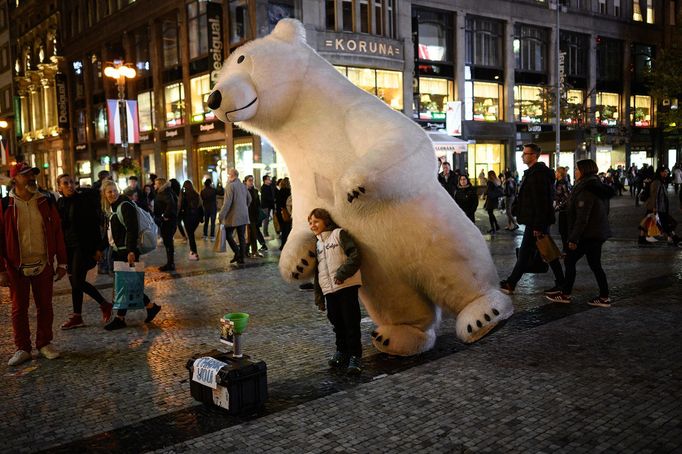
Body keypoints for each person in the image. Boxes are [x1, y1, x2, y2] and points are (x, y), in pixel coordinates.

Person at [0, 162, 67, 366]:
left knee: (45, 306)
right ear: (15, 179)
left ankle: (44, 343)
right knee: (19, 309)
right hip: (15, 267)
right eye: (26, 175)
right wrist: (1, 270)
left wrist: (62, 262)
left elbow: (57, 232)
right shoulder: (5, 205)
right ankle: (23, 348)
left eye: (32, 174)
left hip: (43, 263)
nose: (31, 178)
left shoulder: (45, 201)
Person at [546, 159, 615, 307]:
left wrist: (573, 238)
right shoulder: (597, 186)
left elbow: (582, 217)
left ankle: (565, 294)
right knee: (595, 264)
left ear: (583, 171)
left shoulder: (587, 189)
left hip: (588, 234)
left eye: (577, 169)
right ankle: (604, 297)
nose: (575, 172)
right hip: (597, 232)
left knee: (570, 260)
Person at [500, 143, 565, 295]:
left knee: (541, 252)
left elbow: (541, 202)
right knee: (538, 252)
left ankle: (511, 283)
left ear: (534, 156)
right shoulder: (533, 173)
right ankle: (512, 282)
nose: (523, 156)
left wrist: (538, 225)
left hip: (536, 222)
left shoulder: (538, 174)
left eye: (525, 154)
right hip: (534, 221)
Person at [101, 181, 161, 330]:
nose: (113, 194)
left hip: (126, 251)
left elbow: (132, 229)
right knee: (129, 284)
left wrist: (131, 251)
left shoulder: (124, 205)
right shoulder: (112, 207)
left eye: (114, 190)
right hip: (119, 250)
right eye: (109, 192)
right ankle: (150, 307)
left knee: (127, 284)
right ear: (104, 194)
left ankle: (121, 318)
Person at [309, 208, 363, 375]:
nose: (313, 225)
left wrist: (342, 273)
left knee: (351, 322)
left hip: (346, 286)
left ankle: (355, 356)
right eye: (310, 223)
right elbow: (318, 271)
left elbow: (355, 255)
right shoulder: (317, 243)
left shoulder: (339, 234)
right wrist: (319, 296)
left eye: (316, 221)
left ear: (326, 221)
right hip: (329, 290)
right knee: (337, 323)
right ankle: (342, 352)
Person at [56, 174, 112, 329]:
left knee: (77, 282)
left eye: (72, 182)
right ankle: (77, 316)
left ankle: (104, 304)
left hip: (83, 247)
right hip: (69, 248)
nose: (69, 186)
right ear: (59, 187)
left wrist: (98, 248)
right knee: (75, 283)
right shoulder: (60, 203)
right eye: (65, 183)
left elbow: (93, 226)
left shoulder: (82, 201)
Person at [639, 166, 680, 246]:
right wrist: (655, 208)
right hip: (657, 207)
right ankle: (673, 238)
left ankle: (641, 238)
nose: (666, 173)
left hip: (658, 207)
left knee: (647, 221)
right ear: (660, 172)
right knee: (665, 222)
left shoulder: (660, 181)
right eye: (665, 171)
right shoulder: (657, 182)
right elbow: (654, 196)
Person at [218, 168, 251, 264]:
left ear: (232, 176)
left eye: (228, 175)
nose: (228, 177)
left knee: (228, 234)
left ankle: (237, 253)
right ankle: (242, 258)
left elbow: (227, 203)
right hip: (243, 215)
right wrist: (244, 207)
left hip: (233, 217)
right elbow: (250, 199)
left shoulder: (230, 186)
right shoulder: (243, 186)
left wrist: (221, 215)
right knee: (241, 236)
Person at [153, 177, 178, 271]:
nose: (154, 185)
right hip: (170, 220)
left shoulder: (164, 192)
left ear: (160, 184)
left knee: (168, 242)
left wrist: (164, 216)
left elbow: (171, 204)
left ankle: (170, 264)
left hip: (167, 222)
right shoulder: (167, 191)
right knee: (168, 242)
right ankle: (170, 263)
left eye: (156, 184)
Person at [179, 180, 203, 261]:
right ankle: (193, 252)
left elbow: (180, 206)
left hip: (187, 217)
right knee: (191, 234)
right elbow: (200, 206)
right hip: (196, 218)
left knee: (190, 235)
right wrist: (201, 217)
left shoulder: (184, 195)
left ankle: (194, 253)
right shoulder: (196, 194)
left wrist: (179, 216)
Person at [244, 175, 267, 257]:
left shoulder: (255, 191)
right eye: (249, 180)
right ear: (245, 181)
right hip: (246, 215)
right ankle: (247, 251)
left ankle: (253, 251)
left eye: (252, 180)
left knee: (253, 233)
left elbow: (258, 204)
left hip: (254, 215)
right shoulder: (243, 191)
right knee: (248, 234)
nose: (251, 182)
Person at [554, 166, 572, 252]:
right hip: (563, 210)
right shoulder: (561, 182)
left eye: (556, 172)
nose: (555, 174)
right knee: (563, 231)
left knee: (564, 231)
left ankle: (566, 250)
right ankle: (566, 249)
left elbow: (567, 198)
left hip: (565, 211)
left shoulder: (562, 183)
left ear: (560, 173)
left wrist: (558, 206)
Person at [275, 177, 292, 249]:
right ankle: (285, 245)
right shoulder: (289, 192)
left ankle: (283, 244)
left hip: (279, 213)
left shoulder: (279, 192)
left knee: (283, 229)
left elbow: (277, 202)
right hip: (286, 213)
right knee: (287, 229)